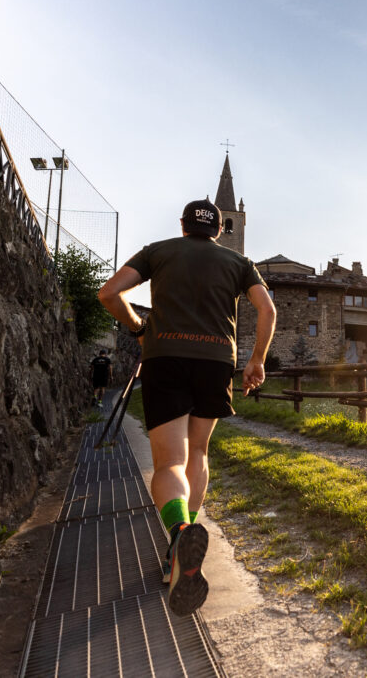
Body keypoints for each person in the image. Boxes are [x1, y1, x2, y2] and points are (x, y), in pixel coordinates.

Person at [98, 198, 276, 616]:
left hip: (165, 359)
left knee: (168, 464)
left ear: (182, 226)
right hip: (216, 361)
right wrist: (257, 361)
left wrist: (139, 328)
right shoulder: (239, 262)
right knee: (198, 453)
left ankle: (179, 533)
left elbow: (109, 293)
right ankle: (185, 538)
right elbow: (267, 309)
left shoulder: (157, 251)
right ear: (218, 229)